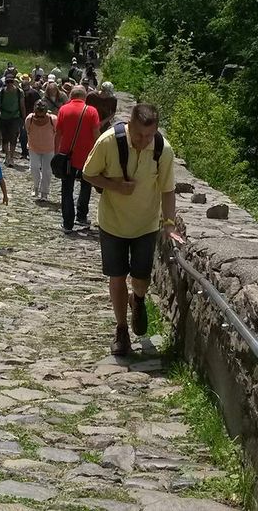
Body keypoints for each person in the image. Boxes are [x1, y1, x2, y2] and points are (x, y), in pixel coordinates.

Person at [83, 103, 176, 354]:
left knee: (141, 278)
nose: (144, 140)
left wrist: (169, 223)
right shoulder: (108, 142)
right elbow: (88, 173)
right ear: (129, 125)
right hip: (112, 222)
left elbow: (168, 190)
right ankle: (122, 330)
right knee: (117, 276)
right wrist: (116, 187)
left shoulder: (162, 150)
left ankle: (139, 299)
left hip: (146, 224)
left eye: (149, 135)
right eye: (139, 134)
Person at [55, 86, 100, 233]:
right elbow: (96, 135)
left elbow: (58, 134)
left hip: (67, 157)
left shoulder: (63, 110)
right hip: (87, 158)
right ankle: (81, 216)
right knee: (86, 186)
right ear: (85, 97)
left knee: (67, 189)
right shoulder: (92, 111)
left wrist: (57, 153)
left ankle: (68, 223)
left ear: (71, 96)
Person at [25, 100, 57, 201]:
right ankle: (36, 186)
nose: (39, 118)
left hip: (49, 149)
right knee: (34, 168)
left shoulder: (53, 119)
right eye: (37, 116)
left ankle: (44, 192)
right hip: (34, 147)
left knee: (47, 171)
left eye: (42, 116)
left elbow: (57, 133)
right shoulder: (29, 119)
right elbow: (28, 131)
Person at [0, 73, 26, 167]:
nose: (9, 83)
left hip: (15, 117)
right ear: (5, 82)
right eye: (7, 82)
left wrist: (24, 118)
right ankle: (7, 156)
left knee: (13, 137)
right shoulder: (0, 93)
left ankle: (11, 157)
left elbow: (22, 106)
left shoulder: (19, 92)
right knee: (5, 138)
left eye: (11, 81)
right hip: (4, 117)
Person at [20, 75, 41, 159]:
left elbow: (38, 103)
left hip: (32, 116)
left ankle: (30, 152)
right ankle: (24, 152)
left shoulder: (33, 93)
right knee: (23, 135)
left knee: (31, 135)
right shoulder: (20, 93)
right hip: (23, 117)